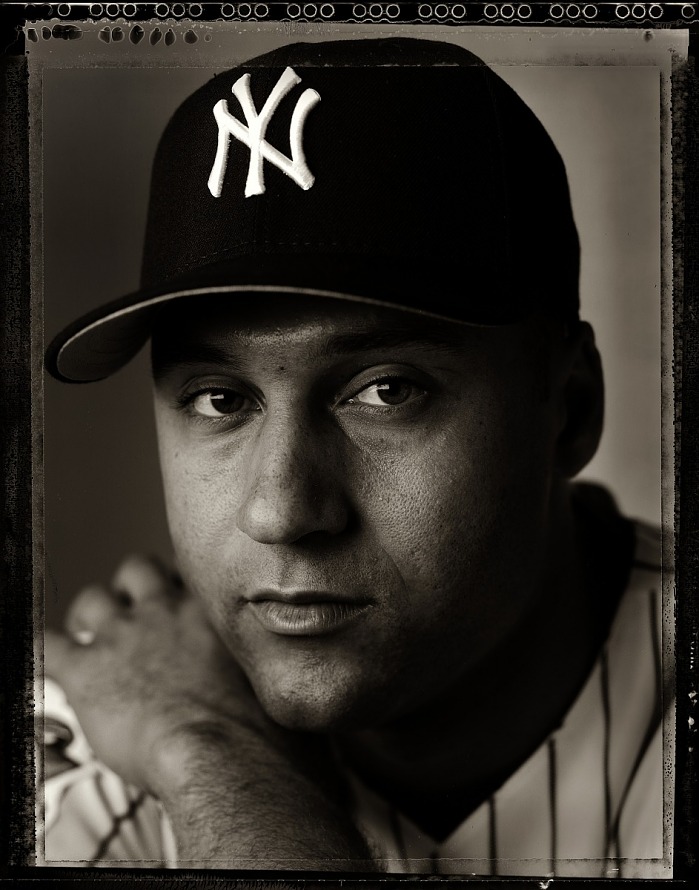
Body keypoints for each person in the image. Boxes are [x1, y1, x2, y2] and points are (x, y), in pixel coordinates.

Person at [39, 36, 668, 877]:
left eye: (386, 391)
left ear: (570, 410)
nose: (282, 512)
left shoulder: (177, 738)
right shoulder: (94, 738)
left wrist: (216, 757)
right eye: (220, 399)